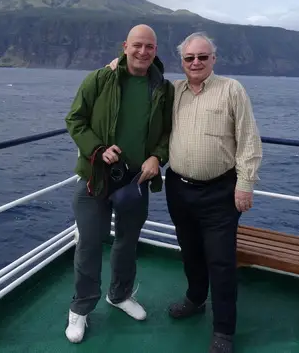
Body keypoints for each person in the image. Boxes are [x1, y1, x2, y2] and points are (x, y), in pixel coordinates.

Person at [107, 31, 262, 353]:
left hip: (221, 191)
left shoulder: (231, 90)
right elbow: (140, 78)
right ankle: (195, 299)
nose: (196, 62)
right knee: (189, 251)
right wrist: (116, 66)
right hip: (179, 189)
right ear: (181, 61)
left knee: (221, 261)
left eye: (202, 57)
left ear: (213, 59)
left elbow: (248, 141)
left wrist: (245, 185)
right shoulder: (173, 90)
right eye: (189, 58)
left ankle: (224, 330)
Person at [63, 24, 174, 343]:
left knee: (127, 242)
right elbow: (75, 119)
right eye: (137, 45)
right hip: (95, 179)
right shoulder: (100, 79)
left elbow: (168, 131)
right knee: (89, 242)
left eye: (149, 47)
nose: (143, 51)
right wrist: (98, 149)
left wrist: (157, 157)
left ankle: (120, 294)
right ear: (125, 46)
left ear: (155, 50)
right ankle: (80, 308)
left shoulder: (163, 88)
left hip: (135, 181)